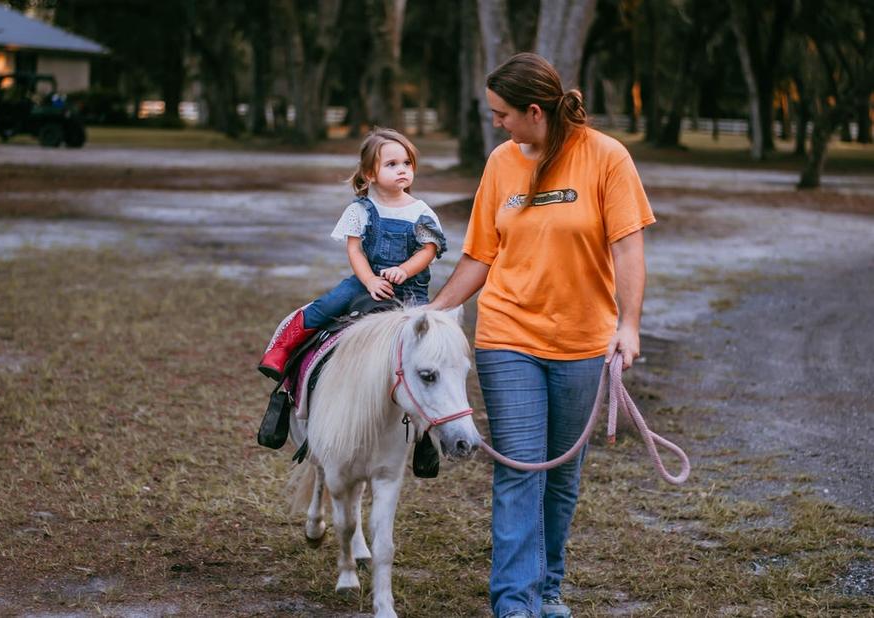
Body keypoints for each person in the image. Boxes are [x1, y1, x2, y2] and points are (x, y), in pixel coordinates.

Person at [427, 53, 655, 618]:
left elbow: (628, 246)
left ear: (535, 111)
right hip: (508, 337)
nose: (496, 123)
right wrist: (430, 315)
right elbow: (481, 255)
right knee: (518, 469)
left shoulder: (606, 158)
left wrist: (628, 325)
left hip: (583, 342)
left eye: (503, 114)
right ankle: (513, 603)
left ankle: (547, 590)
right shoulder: (501, 163)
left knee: (560, 473)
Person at [258, 127, 447, 381]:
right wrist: (369, 280)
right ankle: (282, 349)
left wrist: (404, 270)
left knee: (430, 334)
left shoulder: (419, 212)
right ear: (370, 174)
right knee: (329, 304)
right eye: (392, 164)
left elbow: (428, 250)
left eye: (407, 163)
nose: (402, 169)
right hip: (365, 282)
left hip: (411, 289)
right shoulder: (361, 210)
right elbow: (355, 249)